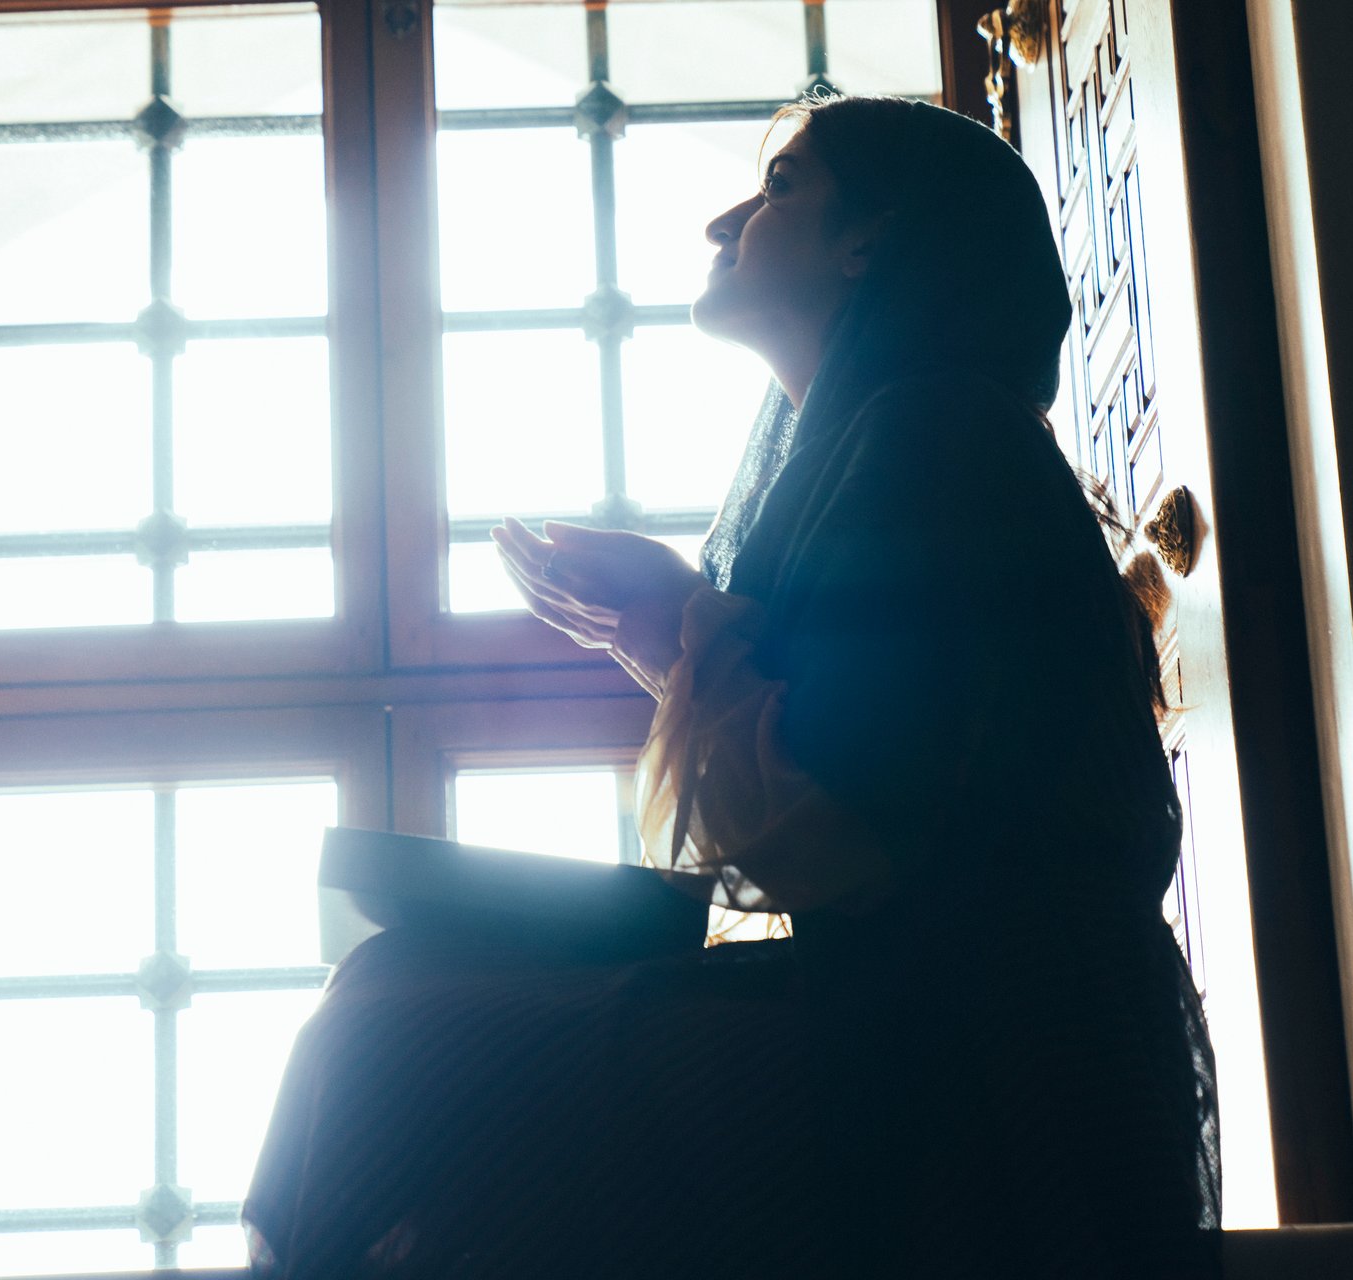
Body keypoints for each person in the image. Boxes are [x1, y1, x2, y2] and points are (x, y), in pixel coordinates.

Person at [243, 96, 1222, 1278]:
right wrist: (667, 632)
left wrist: (674, 623)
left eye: (782, 186)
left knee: (390, 1033)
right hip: (930, 1026)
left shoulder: (938, 432)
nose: (726, 220)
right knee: (390, 1001)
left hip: (989, 1069)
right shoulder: (903, 435)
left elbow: (840, 818)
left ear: (871, 240)